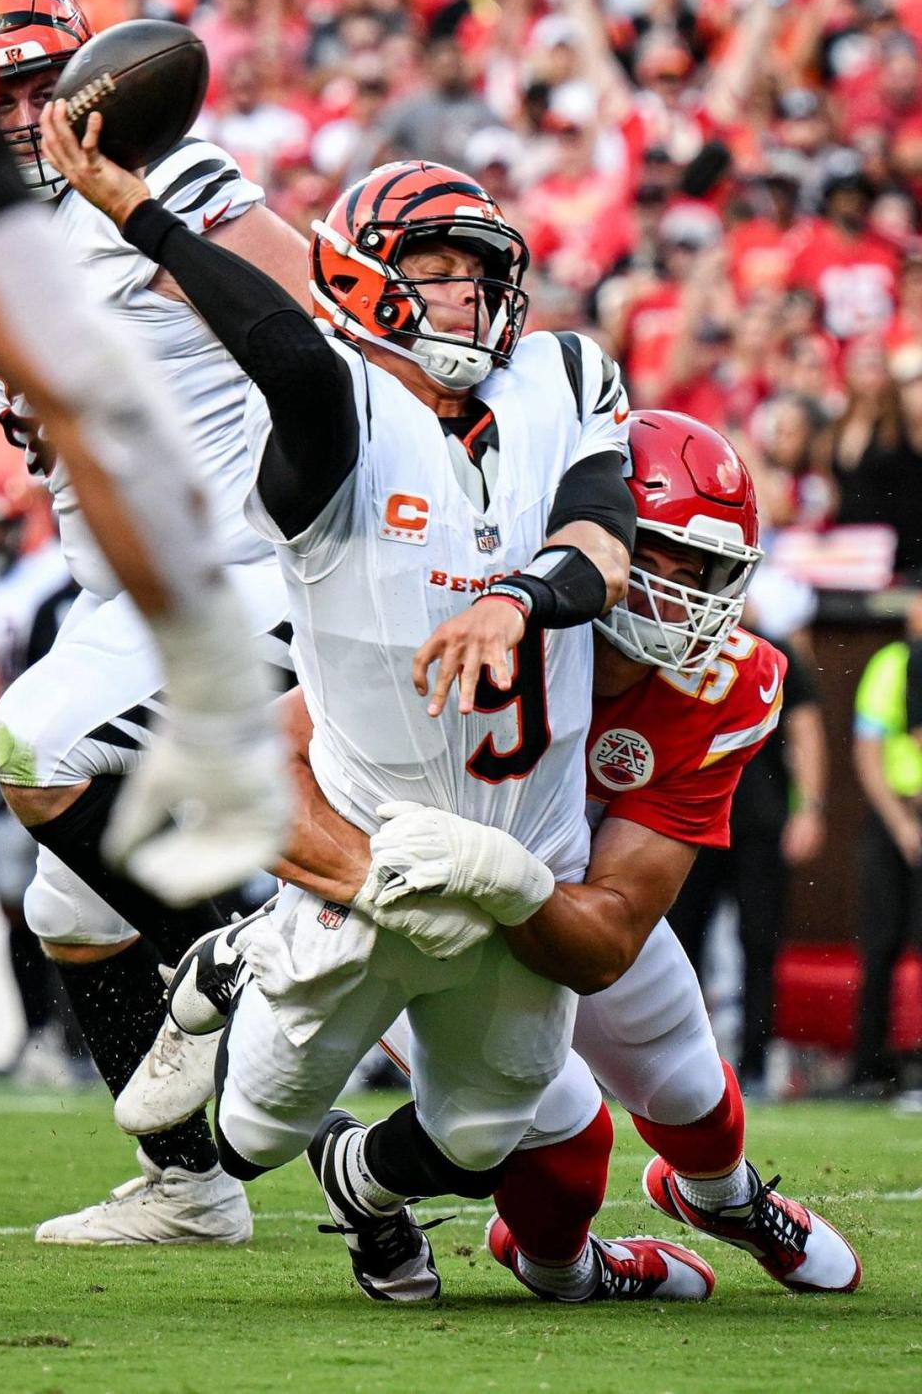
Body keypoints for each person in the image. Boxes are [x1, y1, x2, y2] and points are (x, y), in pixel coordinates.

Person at [44, 106, 709, 1302]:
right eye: (434, 274)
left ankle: (361, 1177)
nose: (466, 295)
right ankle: (234, 962)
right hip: (371, 840)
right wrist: (137, 212)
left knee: (479, 1134)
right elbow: (285, 350)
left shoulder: (566, 372)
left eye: (476, 272)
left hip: (528, 843)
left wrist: (516, 600)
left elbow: (604, 537)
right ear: (365, 280)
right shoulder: (332, 406)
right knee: (245, 1132)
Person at [158, 413, 860, 1303]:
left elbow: (610, 935)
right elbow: (265, 761)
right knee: (563, 1140)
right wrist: (373, 880)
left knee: (682, 1074)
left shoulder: (720, 684)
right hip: (423, 903)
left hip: (558, 884)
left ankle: (724, 1196)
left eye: (705, 572)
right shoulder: (474, 613)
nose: (686, 595)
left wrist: (519, 881)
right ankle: (559, 1264)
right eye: (665, 558)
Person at [0, 0, 303, 1245]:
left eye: (42, 88)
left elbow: (323, 305)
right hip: (127, 604)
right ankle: (190, 1184)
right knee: (70, 908)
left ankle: (258, 947)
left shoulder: (165, 179)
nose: (20, 116)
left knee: (26, 742)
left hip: (250, 573)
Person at [0, 463, 86, 1088]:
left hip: (40, 755)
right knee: (21, 902)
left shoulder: (49, 581)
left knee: (65, 899)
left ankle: (67, 1039)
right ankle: (46, 1035)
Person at [668, 627, 828, 1095]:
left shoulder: (772, 650)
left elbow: (805, 728)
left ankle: (756, 1066)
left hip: (757, 820)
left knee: (760, 942)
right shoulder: (678, 640)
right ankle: (677, 1065)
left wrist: (811, 808)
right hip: (690, 818)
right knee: (677, 944)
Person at [851, 591, 922, 1100]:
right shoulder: (892, 665)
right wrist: (901, 825)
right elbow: (869, 751)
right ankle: (869, 1069)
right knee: (879, 945)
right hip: (897, 817)